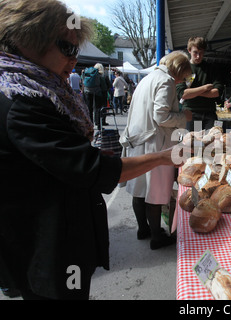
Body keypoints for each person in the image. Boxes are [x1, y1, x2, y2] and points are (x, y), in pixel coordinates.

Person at [0, 0, 183, 300]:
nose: (74, 59)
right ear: (27, 38)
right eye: (67, 47)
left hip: (53, 238)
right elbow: (89, 169)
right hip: (47, 247)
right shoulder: (22, 100)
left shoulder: (37, 88)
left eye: (76, 49)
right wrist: (163, 157)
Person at [120, 51, 193, 249]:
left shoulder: (147, 78)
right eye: (184, 75)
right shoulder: (166, 81)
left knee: (139, 189)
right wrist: (183, 116)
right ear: (178, 69)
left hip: (138, 141)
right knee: (155, 192)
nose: (182, 80)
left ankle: (143, 229)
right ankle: (156, 237)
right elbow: (161, 116)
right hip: (155, 142)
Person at [176, 36, 224, 132]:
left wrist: (193, 92)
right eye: (195, 53)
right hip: (192, 113)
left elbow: (217, 92)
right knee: (195, 143)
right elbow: (183, 94)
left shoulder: (211, 68)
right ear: (189, 50)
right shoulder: (184, 69)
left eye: (201, 53)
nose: (198, 56)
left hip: (209, 114)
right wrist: (205, 88)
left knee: (212, 143)